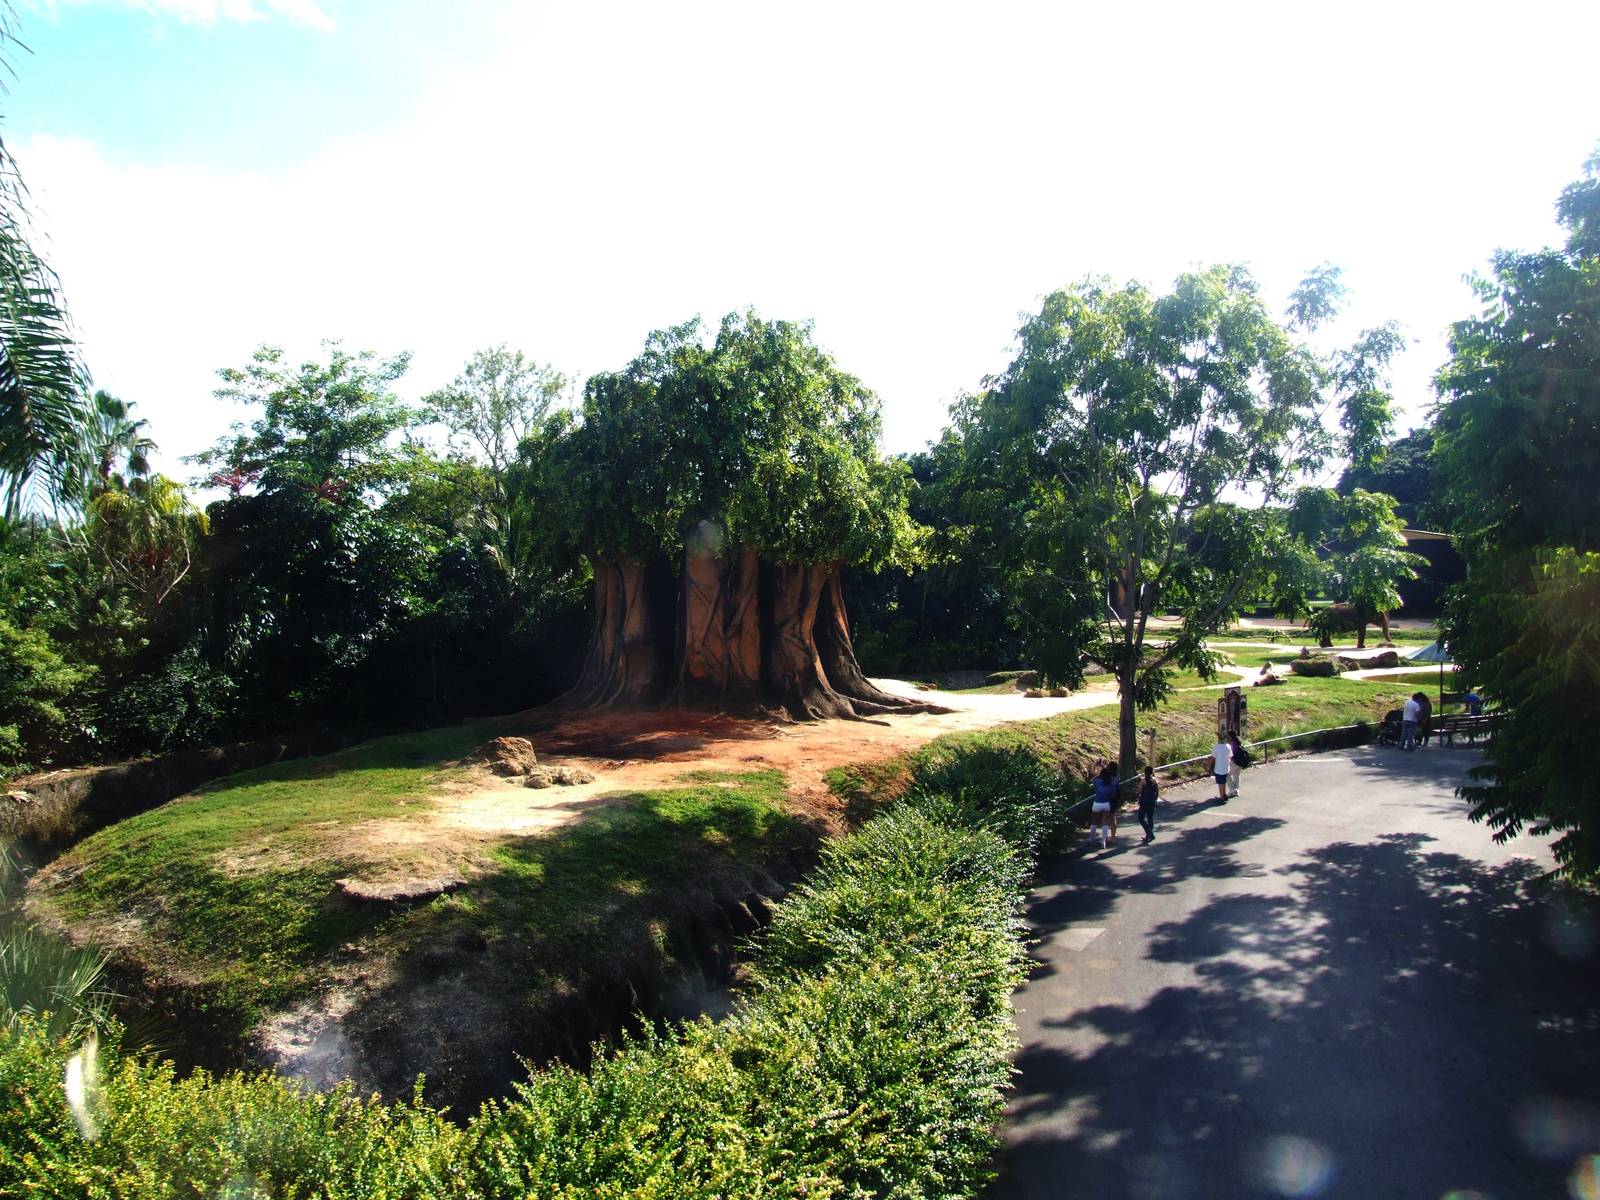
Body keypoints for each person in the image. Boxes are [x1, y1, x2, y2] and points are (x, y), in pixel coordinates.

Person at [1090, 762, 1119, 849]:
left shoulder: (1097, 781)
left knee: (1094, 821)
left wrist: (1096, 763)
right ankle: (1105, 841)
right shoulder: (1114, 779)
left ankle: (1091, 839)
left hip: (1097, 802)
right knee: (1106, 821)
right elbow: (1113, 790)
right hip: (1108, 802)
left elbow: (1093, 775)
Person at [1137, 766, 1159, 843]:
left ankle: (1150, 833)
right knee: (1150, 818)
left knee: (1141, 818)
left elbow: (1139, 791)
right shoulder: (1154, 781)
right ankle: (1148, 835)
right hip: (1151, 802)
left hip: (1144, 802)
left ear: (1145, 772)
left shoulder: (1143, 781)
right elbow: (1157, 792)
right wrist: (1155, 800)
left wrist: (1139, 798)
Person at [1227, 732, 1250, 797]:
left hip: (1235, 762)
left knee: (1226, 775)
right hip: (1240, 762)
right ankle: (1236, 791)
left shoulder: (1233, 744)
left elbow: (1231, 754)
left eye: (1228, 736)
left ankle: (1233, 789)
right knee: (1236, 776)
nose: (1227, 737)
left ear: (1230, 736)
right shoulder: (1237, 742)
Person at [1211, 737, 1232, 801]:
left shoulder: (1216, 747)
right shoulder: (1228, 746)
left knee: (1220, 783)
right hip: (1226, 767)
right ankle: (1224, 794)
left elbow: (1213, 757)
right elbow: (1230, 756)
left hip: (1219, 768)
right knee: (1223, 782)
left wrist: (1209, 766)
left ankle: (1221, 797)